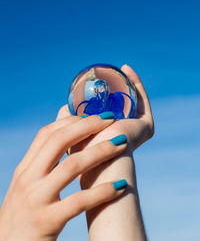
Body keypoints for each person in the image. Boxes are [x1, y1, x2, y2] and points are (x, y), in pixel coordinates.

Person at [0, 64, 154, 241]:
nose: (101, 91)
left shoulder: (118, 100)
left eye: (103, 87)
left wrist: (106, 149)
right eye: (97, 88)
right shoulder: (90, 106)